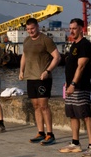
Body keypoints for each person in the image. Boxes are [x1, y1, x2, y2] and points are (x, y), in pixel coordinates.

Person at [18, 17, 61, 145]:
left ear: (37, 26)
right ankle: (40, 132)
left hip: (43, 78)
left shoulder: (45, 40)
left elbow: (57, 57)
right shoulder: (26, 40)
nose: (30, 31)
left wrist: (47, 71)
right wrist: (21, 71)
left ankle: (50, 134)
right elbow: (24, 56)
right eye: (28, 29)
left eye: (32, 28)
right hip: (30, 78)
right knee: (35, 106)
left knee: (44, 106)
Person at [59, 19, 91, 157]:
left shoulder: (85, 45)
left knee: (85, 115)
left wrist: (73, 84)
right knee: (73, 115)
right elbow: (71, 67)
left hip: (80, 86)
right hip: (70, 86)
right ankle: (75, 143)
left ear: (81, 28)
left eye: (74, 28)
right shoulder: (73, 45)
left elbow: (81, 66)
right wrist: (67, 83)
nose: (72, 31)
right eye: (70, 28)